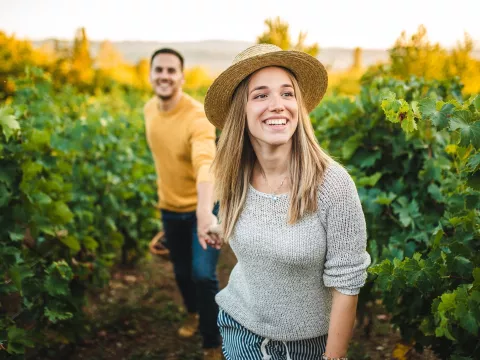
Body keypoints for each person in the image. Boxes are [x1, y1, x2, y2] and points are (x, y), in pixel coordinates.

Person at [203, 44, 372, 360]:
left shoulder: (333, 186)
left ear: (299, 107)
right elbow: (250, 221)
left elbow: (348, 284)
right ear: (242, 110)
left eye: (287, 93)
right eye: (261, 95)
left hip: (310, 346)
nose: (277, 105)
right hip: (241, 331)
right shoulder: (233, 174)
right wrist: (220, 228)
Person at [143, 48, 222, 359]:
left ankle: (212, 340)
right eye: (159, 70)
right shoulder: (149, 110)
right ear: (150, 75)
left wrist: (205, 212)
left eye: (171, 70)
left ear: (181, 77)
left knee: (203, 275)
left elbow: (206, 162)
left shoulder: (197, 117)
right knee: (180, 272)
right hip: (169, 208)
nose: (164, 76)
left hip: (201, 207)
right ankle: (192, 312)